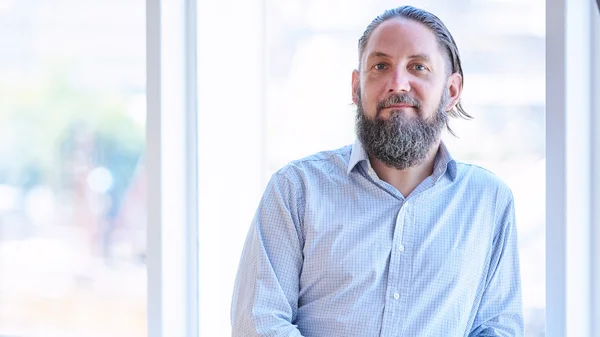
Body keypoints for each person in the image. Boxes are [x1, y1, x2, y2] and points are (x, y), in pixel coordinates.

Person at [231, 5, 523, 337]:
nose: (398, 83)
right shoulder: (295, 191)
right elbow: (258, 324)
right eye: (380, 66)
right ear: (356, 87)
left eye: (418, 67)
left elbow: (495, 327)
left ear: (451, 91)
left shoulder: (488, 201)